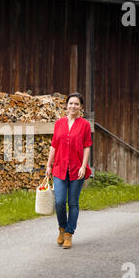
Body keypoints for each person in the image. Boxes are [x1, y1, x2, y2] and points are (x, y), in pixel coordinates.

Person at [45, 92, 92, 249]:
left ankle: (69, 234)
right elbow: (54, 145)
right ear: (66, 105)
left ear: (81, 107)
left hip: (76, 169)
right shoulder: (59, 123)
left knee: (73, 203)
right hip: (59, 168)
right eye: (71, 103)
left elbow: (87, 147)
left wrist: (83, 166)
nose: (73, 106)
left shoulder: (85, 124)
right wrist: (48, 165)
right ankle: (62, 227)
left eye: (76, 104)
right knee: (59, 202)